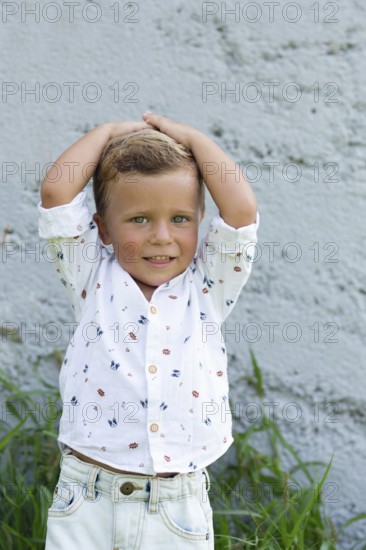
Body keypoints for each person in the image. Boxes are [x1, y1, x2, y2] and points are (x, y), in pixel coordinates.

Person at [38, 112, 259, 549]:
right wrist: (103, 134)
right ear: (102, 228)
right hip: (87, 498)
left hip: (176, 505)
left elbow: (240, 211)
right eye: (139, 220)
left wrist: (195, 139)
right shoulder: (91, 278)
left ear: (199, 220)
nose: (161, 236)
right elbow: (56, 193)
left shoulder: (208, 286)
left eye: (180, 219)